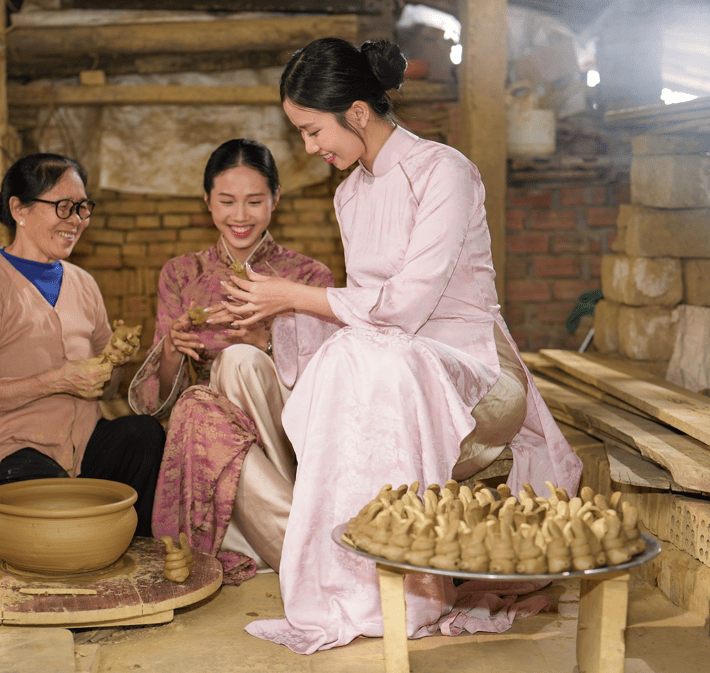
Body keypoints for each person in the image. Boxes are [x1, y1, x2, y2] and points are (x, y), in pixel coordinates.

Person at [218, 38, 583, 653]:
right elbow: (368, 314)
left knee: (367, 359)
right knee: (348, 358)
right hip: (392, 357)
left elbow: (405, 307)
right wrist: (276, 317)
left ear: (357, 113)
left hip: (475, 368)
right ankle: (350, 588)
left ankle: (407, 588)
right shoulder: (349, 194)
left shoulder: (445, 172)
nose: (309, 148)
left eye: (311, 131)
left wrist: (295, 297)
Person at [128, 139, 336, 583]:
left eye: (254, 201)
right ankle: (299, 539)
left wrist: (267, 344)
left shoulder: (308, 279)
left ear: (276, 199)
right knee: (202, 403)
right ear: (206, 202)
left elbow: (329, 387)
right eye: (226, 201)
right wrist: (171, 350)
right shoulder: (181, 275)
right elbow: (156, 404)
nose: (240, 216)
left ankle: (280, 536)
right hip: (206, 439)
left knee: (239, 361)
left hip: (288, 439)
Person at [0, 153, 165, 538]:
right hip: (3, 445)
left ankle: (131, 549)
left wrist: (113, 363)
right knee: (59, 514)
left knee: (144, 436)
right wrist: (58, 380)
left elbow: (107, 387)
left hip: (77, 439)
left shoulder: (84, 284)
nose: (76, 219)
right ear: (19, 209)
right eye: (63, 207)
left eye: (82, 208)